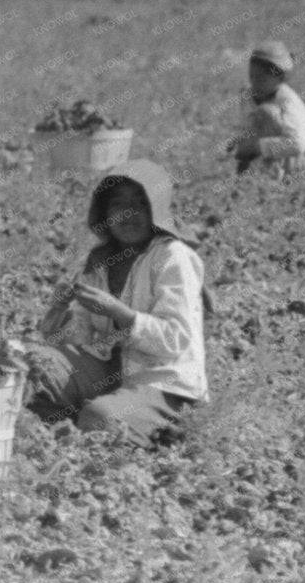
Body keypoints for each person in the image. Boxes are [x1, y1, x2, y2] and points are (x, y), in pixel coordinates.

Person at [29, 159, 207, 440]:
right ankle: (70, 430)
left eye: (139, 204)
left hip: (164, 384)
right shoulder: (101, 259)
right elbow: (81, 340)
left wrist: (121, 313)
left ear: (156, 211)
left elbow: (176, 339)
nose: (128, 214)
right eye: (117, 205)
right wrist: (60, 309)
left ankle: (160, 428)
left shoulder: (172, 257)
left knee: (102, 418)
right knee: (34, 367)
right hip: (110, 372)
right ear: (104, 213)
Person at [231, 40, 305, 178]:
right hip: (270, 146)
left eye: (262, 79)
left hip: (301, 157)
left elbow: (297, 144)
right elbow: (247, 124)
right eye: (252, 76)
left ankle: (287, 177)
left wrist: (257, 147)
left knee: (266, 113)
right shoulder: (247, 94)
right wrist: (241, 142)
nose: (254, 83)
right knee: (258, 120)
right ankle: (247, 181)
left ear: (281, 78)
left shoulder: (289, 101)